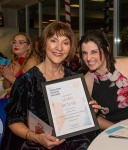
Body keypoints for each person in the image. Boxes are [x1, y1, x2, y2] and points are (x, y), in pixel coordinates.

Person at [1, 21, 100, 150]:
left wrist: (90, 112)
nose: (59, 47)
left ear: (70, 48)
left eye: (65, 42)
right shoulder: (26, 80)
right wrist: (36, 137)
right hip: (35, 144)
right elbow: (13, 121)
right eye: (53, 40)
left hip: (72, 142)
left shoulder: (73, 79)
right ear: (44, 43)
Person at [78, 28, 128, 131]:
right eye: (84, 53)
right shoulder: (86, 82)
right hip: (113, 130)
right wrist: (119, 130)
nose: (88, 58)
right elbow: (93, 118)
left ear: (107, 50)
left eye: (94, 52)